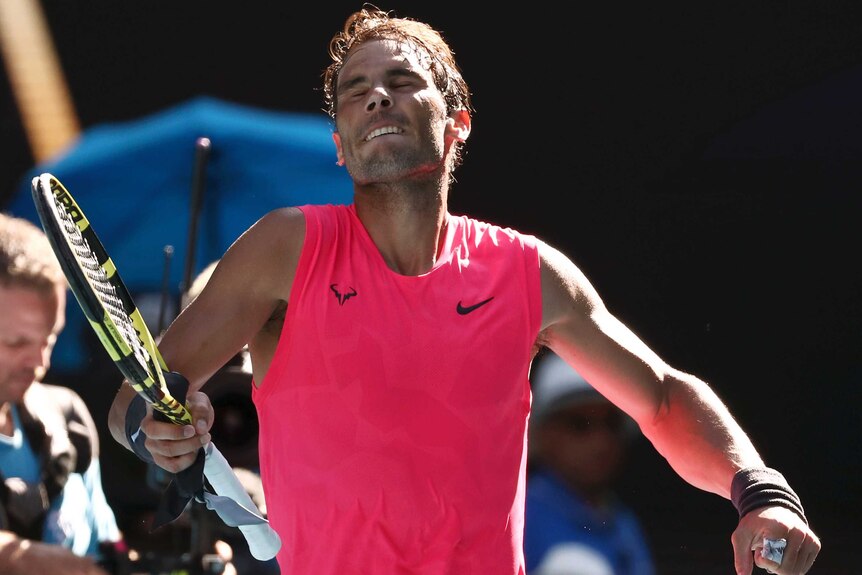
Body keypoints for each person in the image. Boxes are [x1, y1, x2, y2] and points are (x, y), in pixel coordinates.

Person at [107, 6, 821, 575]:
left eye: (403, 80)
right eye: (354, 92)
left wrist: (760, 490)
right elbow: (134, 407)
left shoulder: (527, 271)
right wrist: (162, 431)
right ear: (339, 144)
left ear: (457, 124)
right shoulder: (286, 246)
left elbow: (661, 398)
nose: (376, 95)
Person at [0, 212, 122, 575]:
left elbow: (108, 547)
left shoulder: (66, 417)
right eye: (16, 342)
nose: (40, 362)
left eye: (51, 338)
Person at [525, 351, 655, 575]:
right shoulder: (516, 516)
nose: (600, 441)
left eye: (611, 423)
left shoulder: (623, 522)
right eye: (579, 424)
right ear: (541, 432)